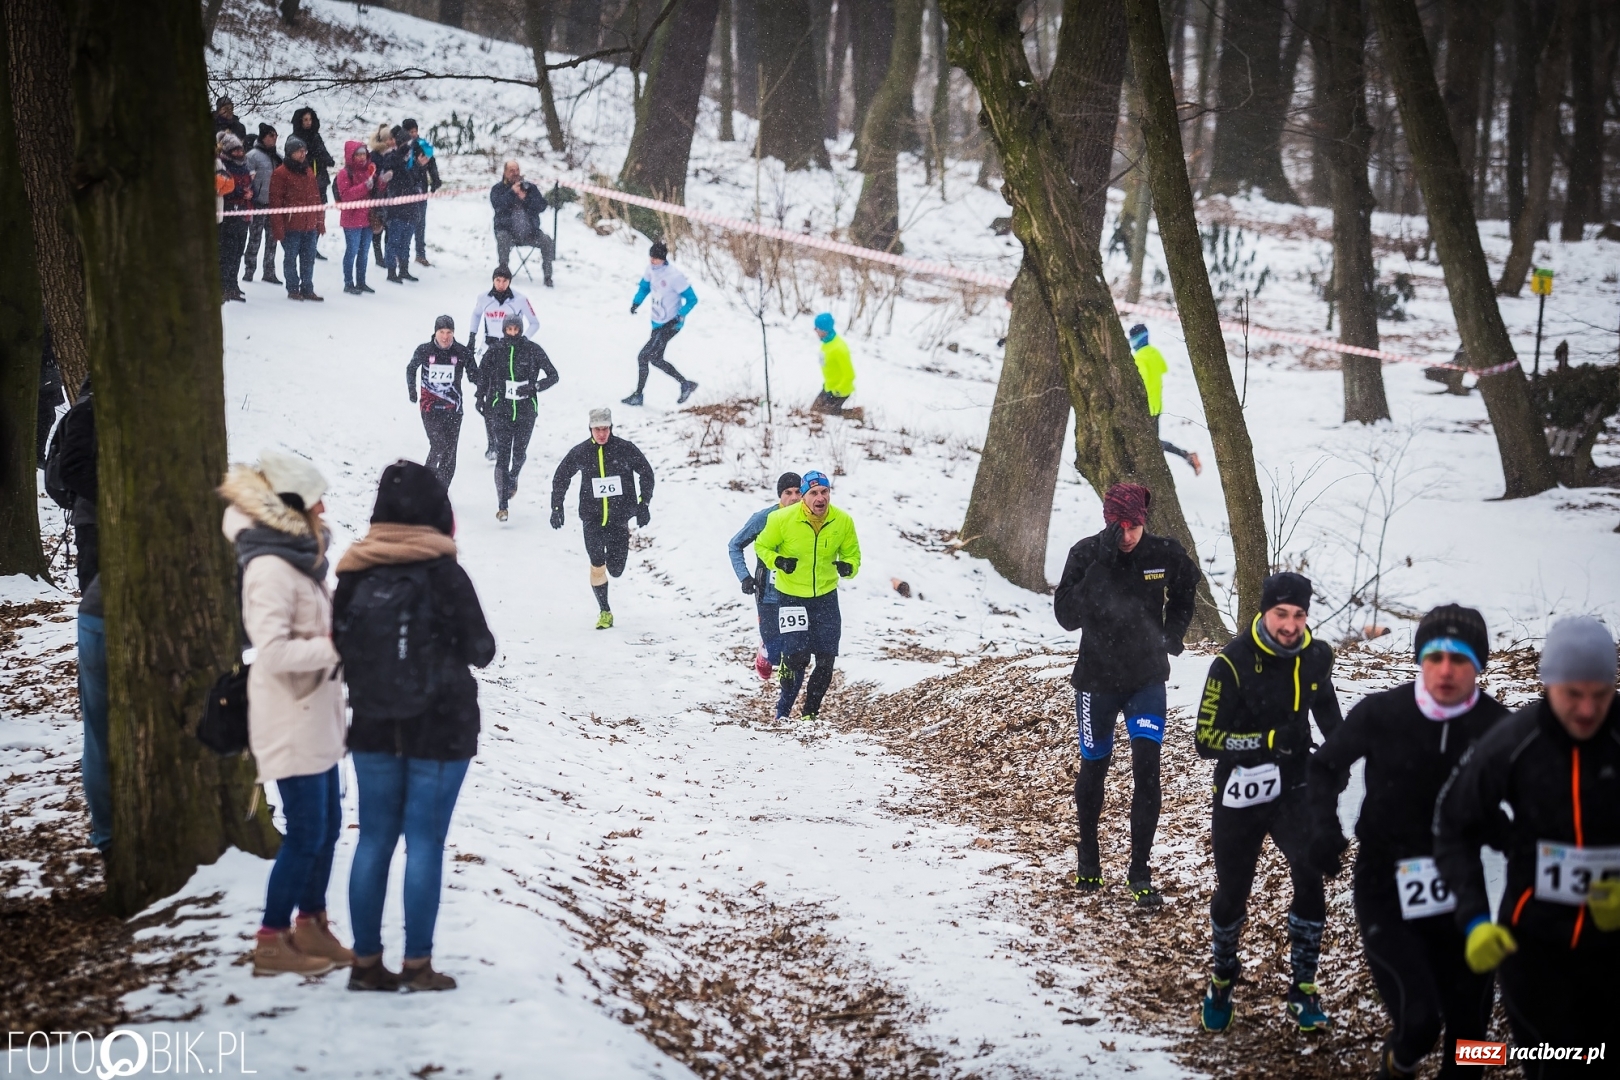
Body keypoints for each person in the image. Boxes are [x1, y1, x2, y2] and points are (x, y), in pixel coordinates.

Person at [1307, 606, 1507, 1079]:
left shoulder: (1499, 728)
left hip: (1463, 890)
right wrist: (1323, 829)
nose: (1445, 670)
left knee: (1473, 1043)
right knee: (1418, 1022)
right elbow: (1324, 766)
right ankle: (1397, 1066)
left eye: (1460, 660)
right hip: (1386, 884)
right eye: (1434, 656)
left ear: (1478, 666)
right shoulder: (1383, 712)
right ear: (1420, 659)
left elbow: (1540, 801)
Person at [334, 461, 496, 992]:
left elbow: (338, 646)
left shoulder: (353, 572)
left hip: (374, 722)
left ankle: (364, 963)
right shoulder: (444, 572)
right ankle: (418, 966)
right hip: (442, 726)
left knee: (374, 840)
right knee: (424, 842)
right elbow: (482, 650)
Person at [1434, 616, 1620, 1078]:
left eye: (1600, 695)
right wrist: (1474, 917)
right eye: (1572, 695)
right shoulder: (1512, 742)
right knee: (1555, 1063)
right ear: (1547, 684)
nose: (1586, 710)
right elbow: (1454, 824)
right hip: (1534, 945)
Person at [219, 450, 352, 978]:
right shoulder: (269, 567)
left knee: (330, 823)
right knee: (306, 831)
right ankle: (271, 939)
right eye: (315, 498)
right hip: (290, 716)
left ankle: (311, 924)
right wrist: (339, 645)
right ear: (289, 506)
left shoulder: (301, 556)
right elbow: (271, 651)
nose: (325, 506)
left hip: (317, 712)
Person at [1193, 572, 1342, 1034]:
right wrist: (1267, 741)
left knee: (1310, 872)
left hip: (1295, 786)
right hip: (1240, 790)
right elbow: (1205, 739)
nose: (1291, 624)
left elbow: (1331, 720)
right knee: (1234, 892)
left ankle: (1302, 990)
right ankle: (1222, 977)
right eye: (1281, 614)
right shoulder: (1232, 662)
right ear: (1263, 612)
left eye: (1299, 615)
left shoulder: (1316, 657)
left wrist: (1340, 760)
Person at [1053, 481, 1198, 908]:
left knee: (1146, 767)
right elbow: (1065, 617)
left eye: (1135, 525)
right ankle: (1089, 859)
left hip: (1145, 679)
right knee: (1094, 768)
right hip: (1096, 681)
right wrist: (1101, 563)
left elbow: (1189, 585)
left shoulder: (1163, 552)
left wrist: (1173, 633)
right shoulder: (1085, 554)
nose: (1129, 534)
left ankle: (1140, 871)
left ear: (1144, 521)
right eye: (1120, 525)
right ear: (1107, 521)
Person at [753, 471, 861, 722]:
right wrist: (777, 561)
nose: (820, 498)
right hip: (791, 597)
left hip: (825, 597)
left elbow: (853, 555)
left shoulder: (843, 521)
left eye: (824, 492)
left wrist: (848, 567)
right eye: (813, 493)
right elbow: (762, 546)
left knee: (826, 661)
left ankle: (810, 714)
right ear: (803, 497)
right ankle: (783, 711)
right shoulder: (782, 519)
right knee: (797, 659)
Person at [549, 410, 655, 628]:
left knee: (616, 570)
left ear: (611, 428)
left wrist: (644, 504)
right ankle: (605, 611)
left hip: (619, 518)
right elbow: (561, 476)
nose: (602, 434)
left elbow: (646, 472)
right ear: (590, 429)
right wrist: (556, 506)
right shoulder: (582, 452)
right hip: (592, 518)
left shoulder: (624, 449)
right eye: (597, 429)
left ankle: (612, 563)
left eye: (605, 429)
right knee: (597, 563)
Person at [476, 313, 559, 521]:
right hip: (501, 411)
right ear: (503, 330)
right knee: (502, 456)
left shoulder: (532, 350)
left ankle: (513, 477)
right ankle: (502, 504)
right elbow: (482, 375)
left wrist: (535, 387)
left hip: (526, 412)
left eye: (516, 329)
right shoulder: (495, 351)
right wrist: (481, 397)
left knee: (519, 454)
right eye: (508, 329)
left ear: (521, 330)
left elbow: (553, 375)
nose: (512, 333)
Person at [728, 473, 804, 680]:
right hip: (768, 592)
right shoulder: (764, 518)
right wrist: (744, 577)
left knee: (794, 647)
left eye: (798, 492)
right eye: (788, 493)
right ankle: (765, 651)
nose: (794, 498)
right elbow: (734, 545)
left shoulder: (809, 518)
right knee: (773, 650)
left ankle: (789, 687)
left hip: (798, 589)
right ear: (780, 495)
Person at [468, 267, 540, 460]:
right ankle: (492, 443)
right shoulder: (484, 298)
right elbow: (476, 315)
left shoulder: (520, 299)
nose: (501, 284)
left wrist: (523, 342)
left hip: (511, 351)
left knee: (504, 397)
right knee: (488, 396)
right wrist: (472, 338)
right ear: (493, 280)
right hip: (490, 348)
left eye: (505, 281)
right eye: (498, 280)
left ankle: (507, 439)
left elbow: (534, 322)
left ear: (510, 281)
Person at [408, 316, 479, 491]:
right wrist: (412, 391)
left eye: (449, 332)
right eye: (442, 332)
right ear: (435, 332)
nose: (445, 337)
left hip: (453, 409)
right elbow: (411, 368)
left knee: (450, 452)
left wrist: (479, 365)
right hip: (429, 408)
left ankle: (441, 491)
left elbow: (475, 377)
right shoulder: (424, 350)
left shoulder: (461, 352)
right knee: (438, 444)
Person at [624, 241, 698, 406]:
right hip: (657, 323)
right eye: (651, 257)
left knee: (643, 357)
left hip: (670, 325)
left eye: (656, 258)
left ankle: (638, 395)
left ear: (663, 259)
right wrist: (636, 302)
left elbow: (692, 299)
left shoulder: (675, 276)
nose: (652, 261)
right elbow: (644, 287)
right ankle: (686, 384)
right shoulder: (651, 270)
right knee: (656, 359)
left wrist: (680, 316)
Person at [1127, 324, 1203, 477]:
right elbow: (1163, 369)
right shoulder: (1154, 354)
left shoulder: (1140, 358)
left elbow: (1140, 384)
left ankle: (1183, 458)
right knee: (1152, 443)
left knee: (1149, 444)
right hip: (1156, 406)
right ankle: (1186, 457)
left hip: (1144, 408)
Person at [269, 136, 324, 301]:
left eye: (304, 151)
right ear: (290, 153)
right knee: (290, 258)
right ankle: (293, 288)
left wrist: (320, 221)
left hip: (310, 225)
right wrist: (278, 228)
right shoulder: (280, 173)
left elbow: (316, 198)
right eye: (299, 151)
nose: (303, 154)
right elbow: (275, 202)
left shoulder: (308, 171)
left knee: (309, 259)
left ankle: (307, 287)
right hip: (291, 225)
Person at [57, 379, 97, 593]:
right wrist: (110, 498)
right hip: (93, 521)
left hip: (98, 517)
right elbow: (71, 469)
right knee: (95, 596)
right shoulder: (87, 409)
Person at [489, 159, 552, 286]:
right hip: (507, 232)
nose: (515, 173)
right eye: (511, 170)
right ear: (505, 172)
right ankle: (503, 274)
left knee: (547, 240)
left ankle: (548, 276)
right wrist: (512, 193)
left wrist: (526, 199)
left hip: (530, 233)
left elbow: (542, 206)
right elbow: (498, 206)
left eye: (517, 170)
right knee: (502, 238)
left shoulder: (530, 188)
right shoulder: (498, 189)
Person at [380, 126, 425, 284]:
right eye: (405, 144)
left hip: (411, 207)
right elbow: (389, 169)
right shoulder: (392, 157)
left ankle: (404, 269)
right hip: (396, 207)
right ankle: (391, 271)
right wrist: (400, 153)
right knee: (394, 240)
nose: (408, 148)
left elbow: (418, 178)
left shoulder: (413, 161)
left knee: (406, 241)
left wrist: (418, 189)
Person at [333, 140, 377, 295]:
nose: (361, 157)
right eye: (357, 154)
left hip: (367, 218)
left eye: (363, 154)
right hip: (351, 219)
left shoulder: (369, 170)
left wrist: (382, 182)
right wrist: (365, 186)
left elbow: (375, 190)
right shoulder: (344, 173)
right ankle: (348, 282)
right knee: (352, 251)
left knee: (364, 252)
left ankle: (361, 281)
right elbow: (346, 195)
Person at [216, 134, 254, 302]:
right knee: (227, 253)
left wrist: (251, 193)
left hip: (244, 214)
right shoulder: (222, 166)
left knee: (239, 251)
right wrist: (240, 193)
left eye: (240, 149)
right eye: (235, 150)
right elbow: (223, 188)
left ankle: (233, 284)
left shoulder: (245, 167)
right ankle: (223, 285)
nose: (239, 152)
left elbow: (251, 186)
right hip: (229, 213)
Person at [243, 125, 282, 286]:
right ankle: (249, 270)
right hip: (258, 203)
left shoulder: (278, 157)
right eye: (271, 135)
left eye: (276, 135)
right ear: (263, 137)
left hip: (274, 204)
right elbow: (247, 180)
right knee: (254, 238)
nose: (274, 138)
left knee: (272, 240)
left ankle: (269, 271)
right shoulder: (252, 156)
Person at [401, 119, 440, 267]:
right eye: (410, 132)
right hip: (404, 191)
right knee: (405, 224)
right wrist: (417, 165)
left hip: (421, 189)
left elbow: (431, 163)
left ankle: (420, 254)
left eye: (415, 131)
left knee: (420, 222)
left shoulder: (423, 145)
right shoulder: (402, 148)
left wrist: (435, 180)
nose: (413, 134)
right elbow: (403, 170)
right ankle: (401, 253)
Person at [289, 106, 335, 212]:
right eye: (305, 120)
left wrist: (327, 159)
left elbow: (322, 151)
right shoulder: (294, 138)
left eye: (310, 119)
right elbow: (292, 159)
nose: (308, 122)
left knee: (320, 210)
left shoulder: (316, 136)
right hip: (303, 178)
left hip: (319, 177)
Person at [811, 313, 855, 416]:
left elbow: (850, 374)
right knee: (814, 412)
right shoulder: (826, 343)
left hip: (840, 391)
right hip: (829, 387)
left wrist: (837, 391)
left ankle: (855, 414)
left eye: (817, 328)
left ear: (824, 330)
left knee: (826, 416)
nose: (814, 330)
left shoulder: (839, 348)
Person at [367, 123, 392, 268]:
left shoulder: (391, 153)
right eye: (388, 139)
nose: (391, 141)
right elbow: (372, 174)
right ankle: (378, 257)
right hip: (377, 195)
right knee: (378, 227)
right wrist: (381, 180)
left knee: (389, 227)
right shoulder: (375, 155)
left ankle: (388, 255)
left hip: (389, 195)